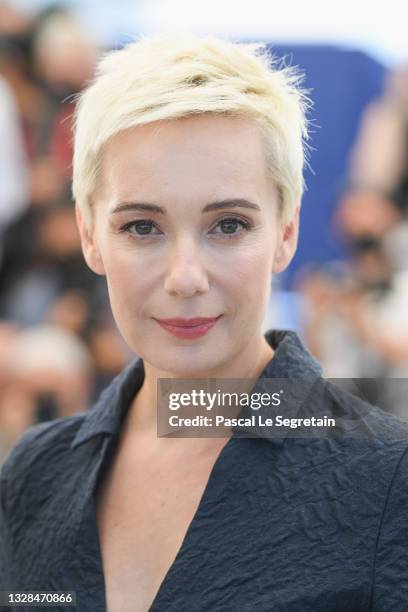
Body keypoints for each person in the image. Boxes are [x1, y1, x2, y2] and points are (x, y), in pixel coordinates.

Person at [1, 33, 408, 612]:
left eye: (229, 225)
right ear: (90, 235)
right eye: (143, 227)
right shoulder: (35, 473)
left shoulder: (387, 479)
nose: (185, 278)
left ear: (285, 233)